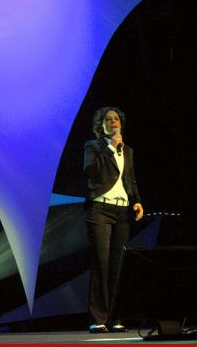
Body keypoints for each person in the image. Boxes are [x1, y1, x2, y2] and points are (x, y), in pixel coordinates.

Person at [83, 106, 144, 333]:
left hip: (122, 210)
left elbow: (130, 178)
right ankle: (99, 318)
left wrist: (136, 201)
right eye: (108, 120)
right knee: (102, 262)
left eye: (115, 119)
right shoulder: (93, 146)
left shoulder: (127, 150)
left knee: (118, 265)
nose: (112, 122)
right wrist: (110, 148)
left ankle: (115, 318)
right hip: (100, 209)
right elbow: (91, 171)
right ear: (101, 125)